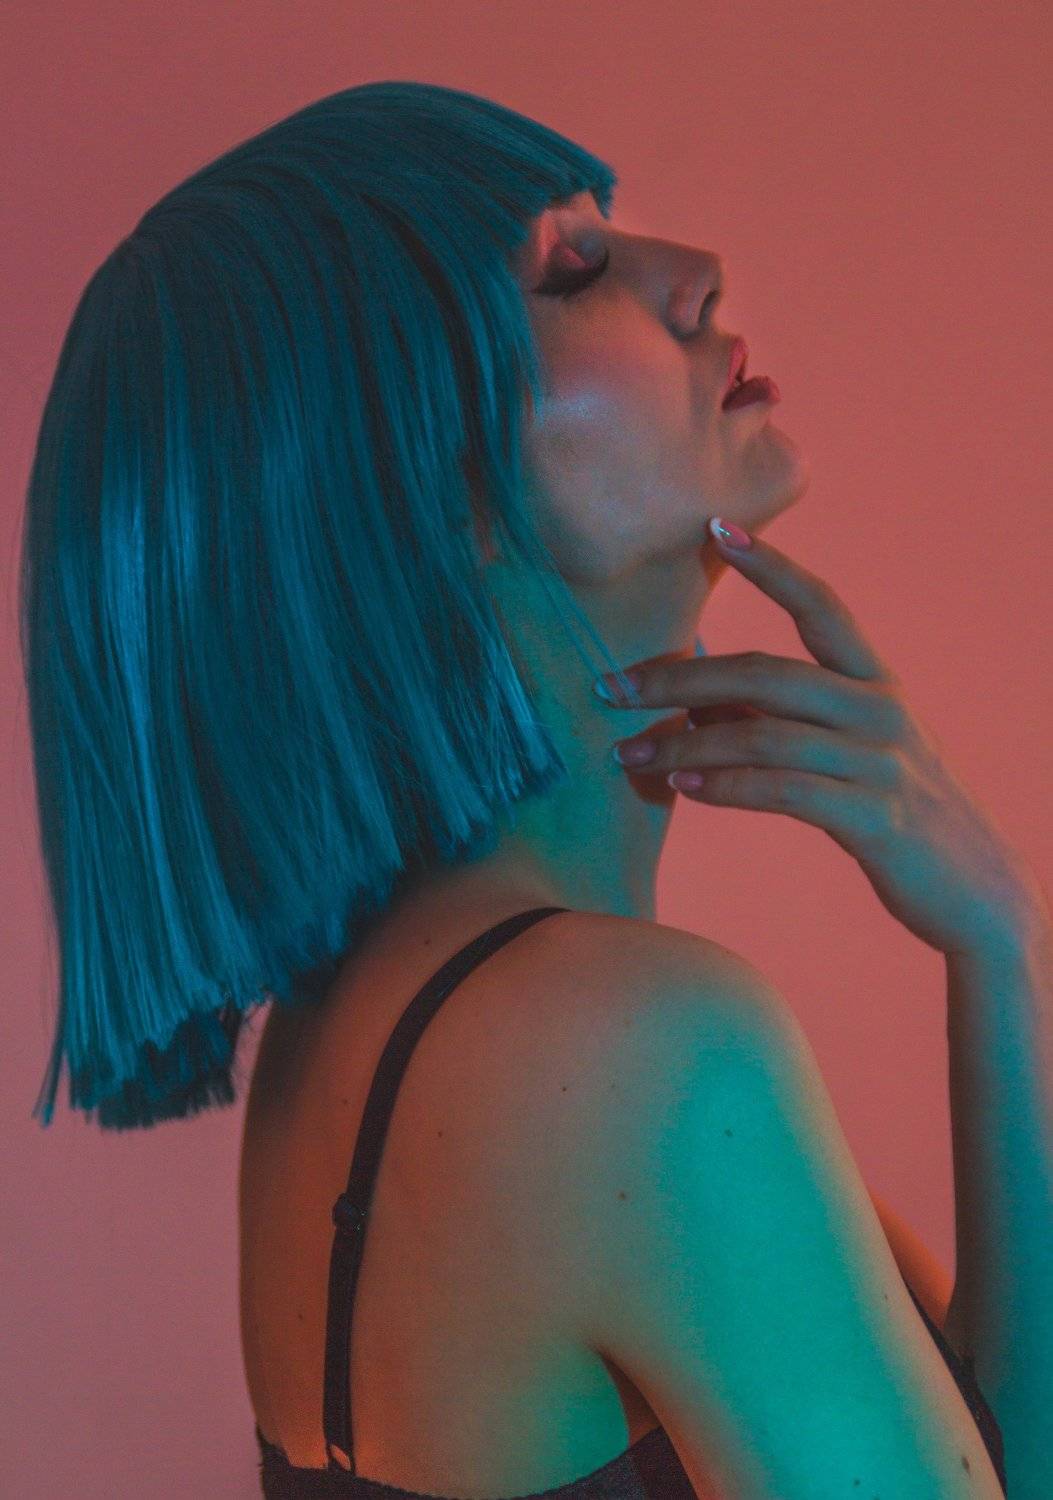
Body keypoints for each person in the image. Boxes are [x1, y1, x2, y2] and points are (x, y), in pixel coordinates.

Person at [23, 80, 1039, 1496]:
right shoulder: (630, 1047)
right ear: (422, 487)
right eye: (574, 269)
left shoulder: (402, 1018)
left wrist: (995, 949)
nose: (697, 275)